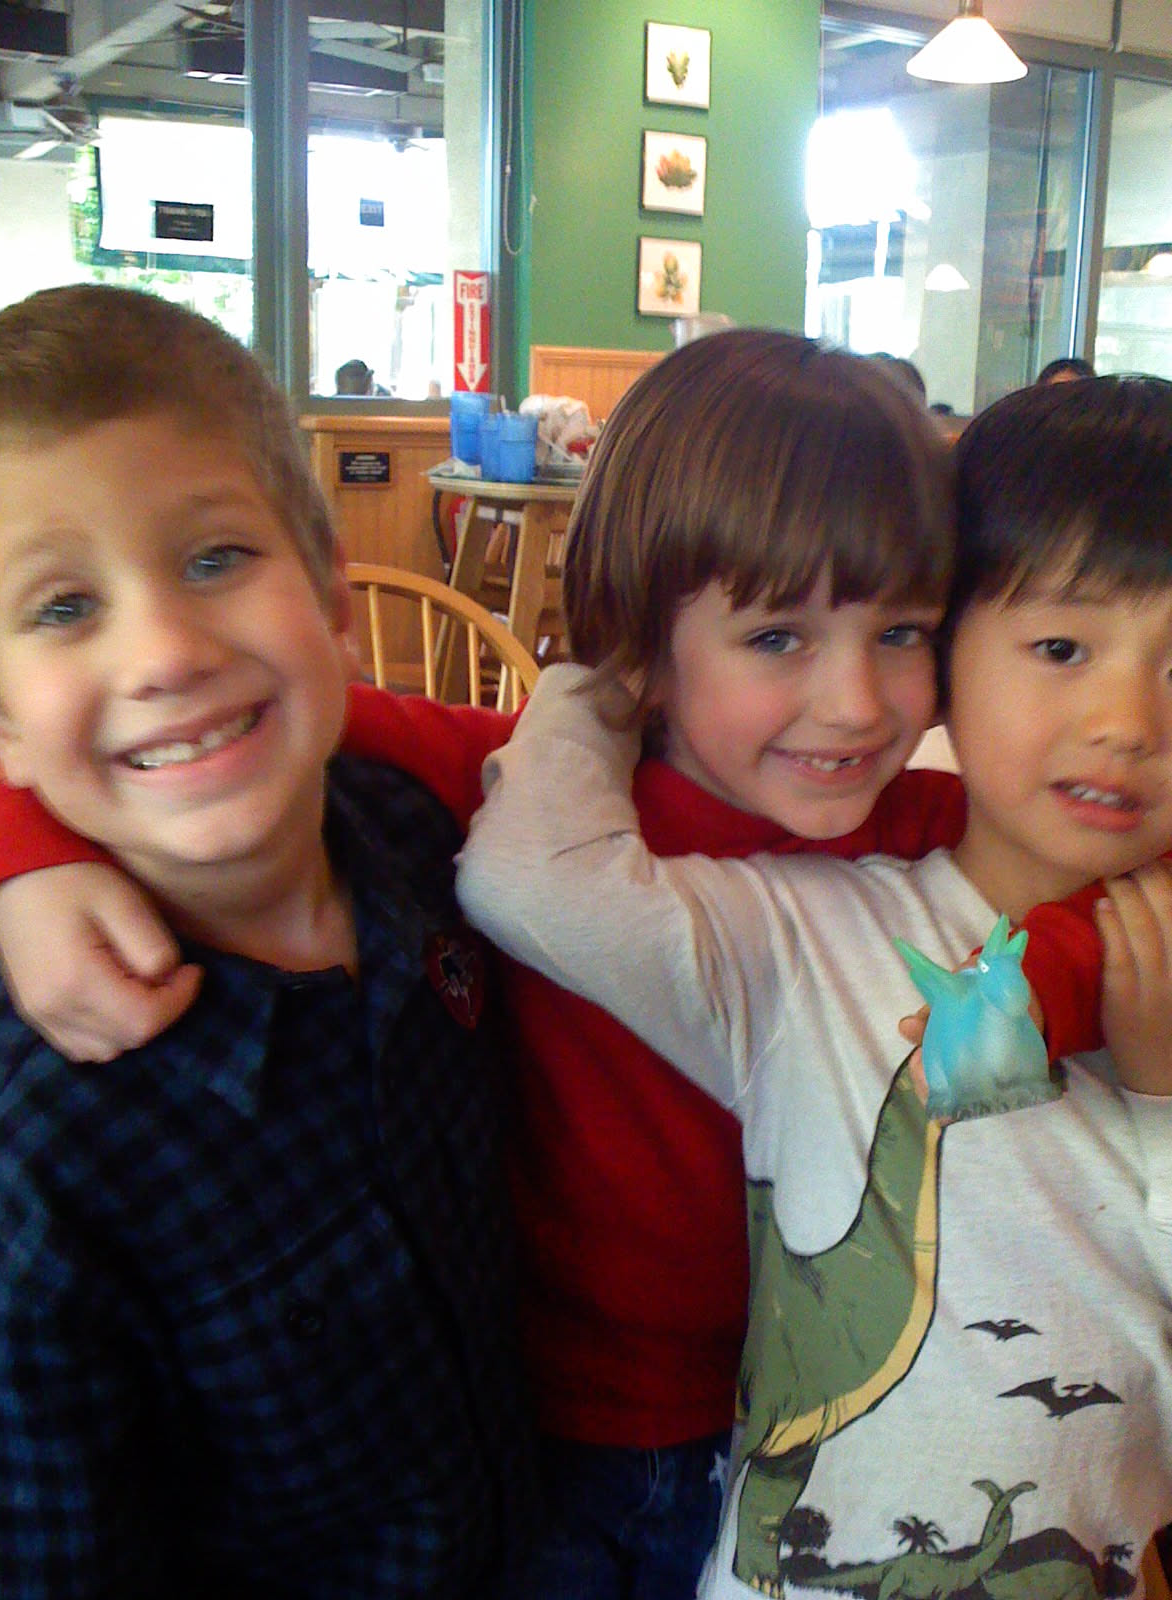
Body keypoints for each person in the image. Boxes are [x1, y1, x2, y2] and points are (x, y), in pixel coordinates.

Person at [0, 331, 1107, 1597]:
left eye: (901, 631)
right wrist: (17, 850)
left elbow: (1092, 879)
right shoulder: (524, 786)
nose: (854, 701)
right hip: (539, 1443)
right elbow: (233, 731)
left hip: (809, 1418)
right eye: (779, 636)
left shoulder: (931, 831)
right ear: (640, 646)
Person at [455, 374, 1172, 1597]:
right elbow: (532, 879)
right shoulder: (810, 932)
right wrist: (611, 670)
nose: (1128, 720)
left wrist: (1160, 1097)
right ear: (956, 655)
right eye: (1061, 647)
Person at [0, 284, 533, 1599]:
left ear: (335, 606)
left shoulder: (426, 841)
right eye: (64, 607)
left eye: (215, 559)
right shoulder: (31, 1158)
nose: (165, 651)